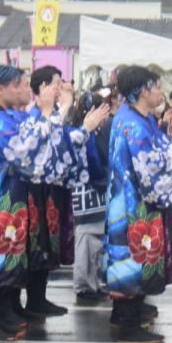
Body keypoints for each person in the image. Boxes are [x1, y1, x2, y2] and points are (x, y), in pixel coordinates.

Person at [106, 66, 172, 342]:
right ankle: (129, 326)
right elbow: (151, 166)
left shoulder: (135, 118)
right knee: (133, 260)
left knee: (128, 259)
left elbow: (154, 153)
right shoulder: (135, 124)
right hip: (133, 205)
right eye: (157, 87)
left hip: (127, 201)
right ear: (143, 92)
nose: (161, 92)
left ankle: (124, 314)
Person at [0, 65, 73, 341]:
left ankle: (2, 316)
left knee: (8, 260)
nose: (23, 90)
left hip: (10, 201)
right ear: (0, 89)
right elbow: (25, 150)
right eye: (17, 85)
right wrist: (46, 112)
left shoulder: (5, 116)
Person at [21, 66, 102, 320]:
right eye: (59, 83)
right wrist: (81, 124)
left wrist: (85, 128)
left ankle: (39, 298)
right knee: (37, 244)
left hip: (52, 189)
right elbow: (49, 146)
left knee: (47, 244)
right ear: (45, 87)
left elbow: (65, 142)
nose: (63, 87)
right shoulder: (35, 115)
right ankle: (33, 300)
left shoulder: (53, 114)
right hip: (38, 190)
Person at [70, 87, 111, 304]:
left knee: (95, 244)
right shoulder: (80, 133)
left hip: (97, 191)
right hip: (85, 191)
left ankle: (93, 283)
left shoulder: (96, 133)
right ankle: (84, 286)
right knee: (86, 242)